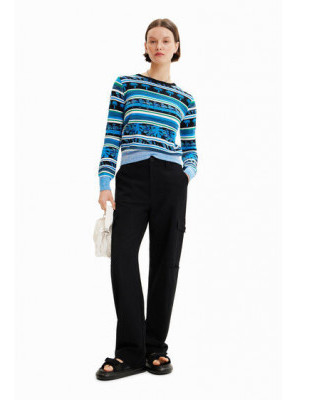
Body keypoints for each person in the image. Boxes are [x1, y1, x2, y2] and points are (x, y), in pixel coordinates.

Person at [95, 18, 198, 381]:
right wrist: (105, 180)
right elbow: (112, 134)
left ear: (176, 47)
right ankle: (129, 352)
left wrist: (185, 175)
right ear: (145, 46)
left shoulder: (186, 99)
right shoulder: (125, 85)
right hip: (133, 179)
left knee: (166, 262)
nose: (158, 46)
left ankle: (155, 347)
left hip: (172, 181)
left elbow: (191, 148)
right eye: (152, 40)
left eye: (166, 40)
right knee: (122, 258)